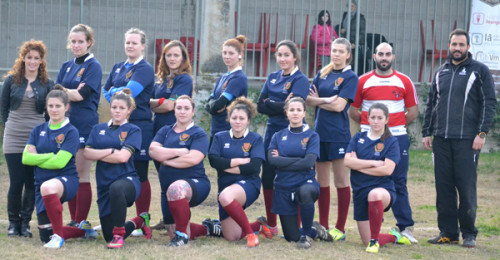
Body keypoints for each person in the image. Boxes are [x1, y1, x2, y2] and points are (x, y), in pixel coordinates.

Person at [422, 29, 497, 248]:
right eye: (454, 44)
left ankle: (468, 233)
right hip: (441, 140)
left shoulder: (479, 71)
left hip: (468, 140)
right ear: (449, 45)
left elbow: (489, 103)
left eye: (461, 45)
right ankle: (448, 232)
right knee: (443, 187)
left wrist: (482, 133)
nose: (457, 48)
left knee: (465, 187)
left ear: (468, 47)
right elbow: (431, 104)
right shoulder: (440, 71)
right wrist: (427, 132)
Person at [348, 42, 419, 243]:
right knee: (365, 177)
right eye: (381, 54)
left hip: (397, 137)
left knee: (399, 181)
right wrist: (371, 128)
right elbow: (353, 110)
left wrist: (392, 127)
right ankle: (372, 225)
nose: (384, 57)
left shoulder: (404, 81)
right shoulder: (363, 81)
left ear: (393, 57)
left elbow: (412, 112)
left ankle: (405, 227)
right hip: (368, 139)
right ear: (374, 56)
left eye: (388, 54)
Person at [22, 85, 97, 248]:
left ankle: (59, 238)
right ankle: (83, 231)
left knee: (48, 187)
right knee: (45, 235)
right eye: (50, 106)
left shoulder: (71, 132)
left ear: (66, 107)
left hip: (66, 180)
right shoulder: (38, 130)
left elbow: (59, 163)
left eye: (58, 106)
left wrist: (38, 157)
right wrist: (49, 156)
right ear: (46, 107)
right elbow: (26, 158)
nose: (54, 110)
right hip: (40, 183)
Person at [103, 28, 155, 238]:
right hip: (118, 126)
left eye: (135, 43)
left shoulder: (145, 68)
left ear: (143, 45)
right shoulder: (118, 67)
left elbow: (128, 93)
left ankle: (143, 218)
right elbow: (106, 91)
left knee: (140, 172)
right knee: (116, 168)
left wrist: (117, 93)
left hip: (140, 125)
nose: (130, 46)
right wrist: (117, 95)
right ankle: (116, 217)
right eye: (128, 43)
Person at [306, 38, 358, 241]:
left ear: (348, 54)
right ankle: (324, 226)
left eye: (340, 51)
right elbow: (308, 100)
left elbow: (339, 107)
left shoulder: (351, 77)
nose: (335, 54)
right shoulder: (323, 72)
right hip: (320, 134)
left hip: (338, 136)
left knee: (341, 181)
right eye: (333, 50)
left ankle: (340, 229)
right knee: (322, 182)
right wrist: (327, 99)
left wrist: (322, 101)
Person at [2, 40, 54, 238]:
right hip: (14, 135)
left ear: (41, 61)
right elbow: (3, 109)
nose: (32, 61)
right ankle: (13, 224)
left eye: (37, 58)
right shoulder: (11, 80)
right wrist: (8, 127)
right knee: (16, 182)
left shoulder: (46, 84)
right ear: (23, 58)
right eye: (29, 57)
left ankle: (25, 223)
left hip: (35, 138)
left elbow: (49, 113)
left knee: (32, 183)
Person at [84, 89, 149, 249]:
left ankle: (119, 236)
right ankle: (139, 221)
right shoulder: (98, 129)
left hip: (127, 181)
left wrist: (99, 154)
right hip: (104, 184)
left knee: (117, 188)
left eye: (121, 108)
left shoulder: (134, 130)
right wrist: (110, 151)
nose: (117, 111)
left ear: (129, 110)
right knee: (107, 235)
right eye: (114, 107)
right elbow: (87, 153)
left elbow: (123, 157)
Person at [257, 40, 310, 235]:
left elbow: (294, 107)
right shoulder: (272, 77)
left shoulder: (301, 80)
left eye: (287, 55)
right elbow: (259, 105)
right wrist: (279, 104)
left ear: (295, 57)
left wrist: (271, 102)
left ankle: (294, 224)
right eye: (279, 55)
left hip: (293, 133)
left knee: (291, 177)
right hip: (272, 133)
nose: (283, 59)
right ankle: (272, 224)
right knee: (269, 176)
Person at [344, 103, 411, 254]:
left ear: (386, 120)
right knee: (364, 241)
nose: (376, 121)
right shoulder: (358, 137)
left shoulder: (391, 141)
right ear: (367, 118)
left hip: (383, 190)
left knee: (374, 194)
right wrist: (373, 163)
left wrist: (358, 165)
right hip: (360, 191)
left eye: (380, 118)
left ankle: (374, 241)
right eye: (373, 117)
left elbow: (387, 170)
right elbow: (347, 161)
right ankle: (395, 237)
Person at [267, 97, 333, 249]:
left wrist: (283, 161)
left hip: (305, 183)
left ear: (304, 113)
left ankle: (306, 236)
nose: (295, 113)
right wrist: (299, 160)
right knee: (291, 237)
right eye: (292, 110)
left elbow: (309, 162)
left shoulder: (312, 136)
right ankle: (315, 231)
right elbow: (272, 160)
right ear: (286, 113)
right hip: (283, 186)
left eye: (298, 110)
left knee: (304, 193)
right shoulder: (277, 136)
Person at [150, 95, 215, 247]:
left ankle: (182, 237)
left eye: (187, 108)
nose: (182, 111)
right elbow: (153, 151)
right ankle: (209, 228)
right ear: (174, 111)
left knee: (177, 188)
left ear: (193, 112)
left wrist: (165, 160)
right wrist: (180, 151)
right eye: (179, 108)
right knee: (172, 231)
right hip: (167, 191)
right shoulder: (165, 131)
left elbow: (192, 159)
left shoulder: (198, 133)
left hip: (196, 185)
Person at [55, 24, 102, 227]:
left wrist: (66, 91)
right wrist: (68, 91)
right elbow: (57, 94)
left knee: (82, 172)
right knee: (69, 172)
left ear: (89, 42)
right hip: (65, 125)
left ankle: (80, 221)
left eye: (80, 41)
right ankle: (73, 220)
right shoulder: (67, 66)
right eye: (73, 41)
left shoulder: (93, 66)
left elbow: (80, 95)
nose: (76, 45)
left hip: (84, 124)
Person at [208, 97, 271, 247]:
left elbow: (254, 167)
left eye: (241, 118)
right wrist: (239, 161)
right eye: (234, 118)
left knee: (226, 196)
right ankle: (258, 226)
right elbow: (213, 161)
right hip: (225, 184)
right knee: (232, 237)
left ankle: (250, 234)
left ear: (248, 120)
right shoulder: (219, 137)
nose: (237, 121)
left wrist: (225, 166)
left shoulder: (255, 139)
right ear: (229, 119)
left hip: (248, 184)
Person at [149, 40, 194, 230]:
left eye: (176, 55)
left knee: (175, 177)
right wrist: (161, 101)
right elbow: (148, 103)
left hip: (177, 133)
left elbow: (170, 106)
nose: (172, 58)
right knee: (163, 177)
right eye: (168, 55)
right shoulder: (161, 79)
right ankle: (167, 220)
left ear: (183, 58)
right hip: (159, 132)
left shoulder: (184, 80)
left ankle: (180, 222)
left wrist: (158, 103)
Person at [205, 35, 248, 143]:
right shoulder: (222, 78)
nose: (227, 56)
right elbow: (208, 104)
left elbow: (219, 104)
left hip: (229, 131)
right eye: (225, 53)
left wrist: (214, 106)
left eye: (231, 53)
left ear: (240, 55)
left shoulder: (238, 77)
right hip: (216, 128)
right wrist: (213, 107)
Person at [336, 0, 366, 74]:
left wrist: (356, 43)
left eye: (352, 6)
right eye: (349, 6)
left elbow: (362, 32)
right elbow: (344, 26)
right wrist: (342, 29)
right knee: (345, 61)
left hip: (353, 43)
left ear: (355, 7)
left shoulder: (360, 17)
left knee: (353, 63)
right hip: (345, 42)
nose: (351, 8)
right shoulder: (345, 15)